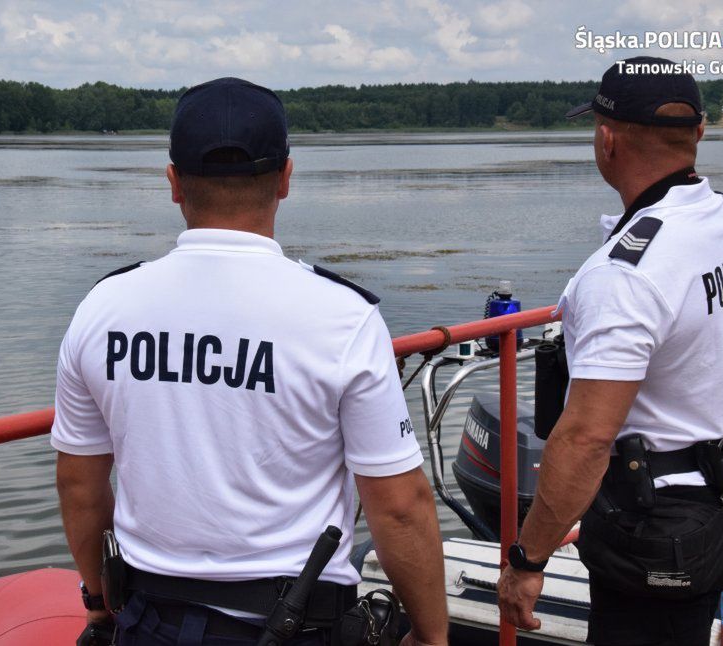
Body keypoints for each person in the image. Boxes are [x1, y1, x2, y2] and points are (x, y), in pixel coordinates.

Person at [51, 77, 448, 646]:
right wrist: (432, 636)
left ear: (172, 183)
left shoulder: (102, 309)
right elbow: (401, 508)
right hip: (293, 626)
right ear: (286, 179)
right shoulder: (342, 317)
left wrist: (98, 601)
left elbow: (79, 484)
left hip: (149, 621)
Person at [497, 57, 723, 645]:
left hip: (654, 533)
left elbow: (587, 438)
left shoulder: (624, 276)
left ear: (607, 137)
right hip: (720, 504)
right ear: (696, 134)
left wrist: (528, 559)